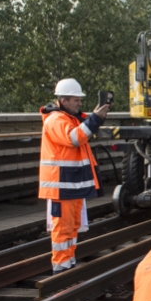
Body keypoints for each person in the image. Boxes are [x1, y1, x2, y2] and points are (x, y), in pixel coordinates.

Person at [39, 79, 110, 273]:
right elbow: (75, 138)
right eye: (75, 100)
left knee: (72, 228)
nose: (79, 103)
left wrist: (96, 116)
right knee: (63, 229)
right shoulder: (56, 120)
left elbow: (83, 127)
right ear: (63, 100)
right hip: (61, 185)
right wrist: (95, 119)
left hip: (71, 184)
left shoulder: (69, 118)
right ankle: (61, 269)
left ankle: (68, 265)